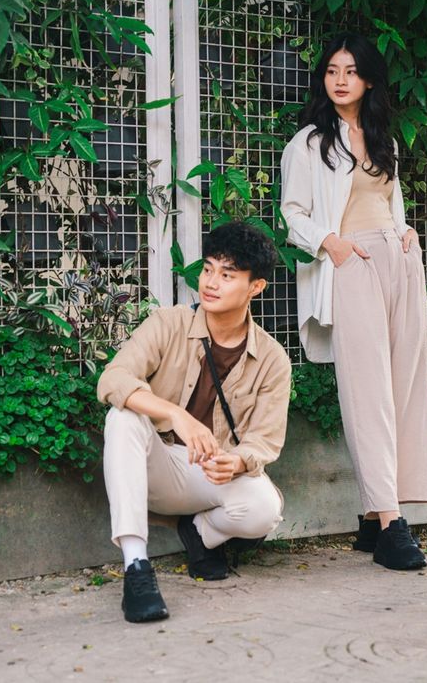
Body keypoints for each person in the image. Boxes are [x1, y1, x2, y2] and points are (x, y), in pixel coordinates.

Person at [280, 32, 427, 572]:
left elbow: (390, 201)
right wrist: (332, 244)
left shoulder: (381, 138)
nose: (340, 80)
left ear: (368, 79)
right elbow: (293, 213)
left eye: (350, 71)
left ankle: (373, 518)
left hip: (399, 260)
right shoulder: (308, 143)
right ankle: (392, 525)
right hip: (352, 265)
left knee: (404, 387)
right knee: (368, 392)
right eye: (331, 70)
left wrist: (406, 231)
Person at [97, 220, 291, 622]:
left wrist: (237, 461)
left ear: (255, 287)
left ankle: (199, 534)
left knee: (264, 507)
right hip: (158, 465)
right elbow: (113, 379)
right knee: (123, 417)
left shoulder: (273, 359)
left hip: (210, 473)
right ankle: (137, 567)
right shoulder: (168, 323)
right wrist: (175, 414)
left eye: (227, 275)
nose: (211, 283)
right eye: (207, 269)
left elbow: (265, 440)